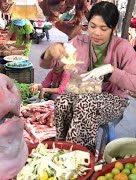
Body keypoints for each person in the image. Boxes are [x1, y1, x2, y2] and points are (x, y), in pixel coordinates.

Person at [39, 1, 136, 153]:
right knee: (62, 101)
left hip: (114, 100)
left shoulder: (123, 47)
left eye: (103, 28)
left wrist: (111, 71)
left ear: (113, 28)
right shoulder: (79, 42)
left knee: (85, 103)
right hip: (82, 93)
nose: (96, 33)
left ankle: (82, 155)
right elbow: (48, 64)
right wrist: (50, 52)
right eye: (92, 26)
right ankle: (62, 149)